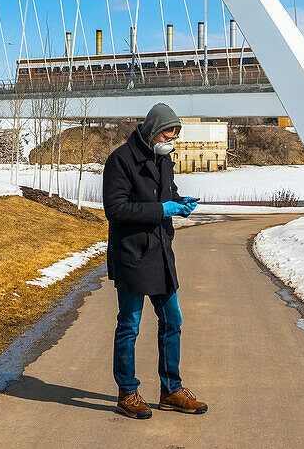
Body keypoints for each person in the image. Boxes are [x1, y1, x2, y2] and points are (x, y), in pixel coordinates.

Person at [102, 103, 208, 419]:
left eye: (175, 135)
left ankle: (171, 391)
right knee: (130, 325)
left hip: (160, 253)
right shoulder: (120, 161)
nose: (171, 140)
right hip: (132, 254)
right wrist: (162, 210)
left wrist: (178, 204)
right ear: (151, 131)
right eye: (167, 133)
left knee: (172, 320)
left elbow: (166, 196)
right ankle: (127, 393)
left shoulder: (164, 160)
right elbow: (116, 209)